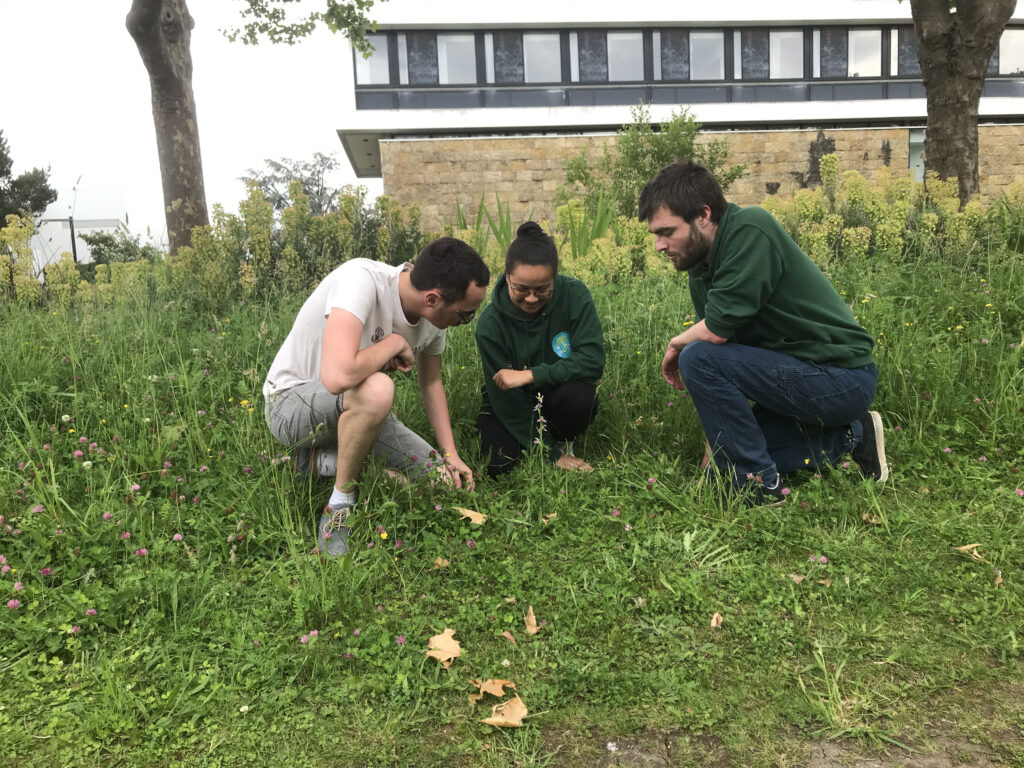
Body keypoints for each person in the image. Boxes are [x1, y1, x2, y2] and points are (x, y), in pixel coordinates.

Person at [637, 160, 888, 505]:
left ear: (703, 215)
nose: (659, 246)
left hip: (841, 377)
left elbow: (713, 336)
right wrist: (715, 457)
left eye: (667, 232)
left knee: (696, 356)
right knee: (734, 452)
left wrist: (676, 345)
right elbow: (722, 358)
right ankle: (853, 434)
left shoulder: (750, 229)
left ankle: (757, 488)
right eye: (656, 236)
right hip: (796, 377)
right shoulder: (701, 268)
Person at [263, 238, 489, 555]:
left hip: (358, 409)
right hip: (290, 406)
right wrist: (393, 342)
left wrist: (450, 454)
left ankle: (317, 463)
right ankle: (340, 508)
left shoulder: (433, 321)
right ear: (433, 299)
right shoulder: (361, 280)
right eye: (465, 315)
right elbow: (337, 376)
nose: (465, 322)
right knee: (379, 388)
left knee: (439, 482)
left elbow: (431, 382)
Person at [474, 221, 605, 477]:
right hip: (509, 401)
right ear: (507, 277)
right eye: (521, 289)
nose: (531, 298)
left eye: (542, 289)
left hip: (557, 393)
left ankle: (561, 438)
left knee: (580, 397)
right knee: (497, 465)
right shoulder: (489, 324)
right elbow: (505, 399)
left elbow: (592, 361)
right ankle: (547, 446)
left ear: (554, 277)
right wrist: (550, 456)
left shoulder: (575, 295)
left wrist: (530, 375)